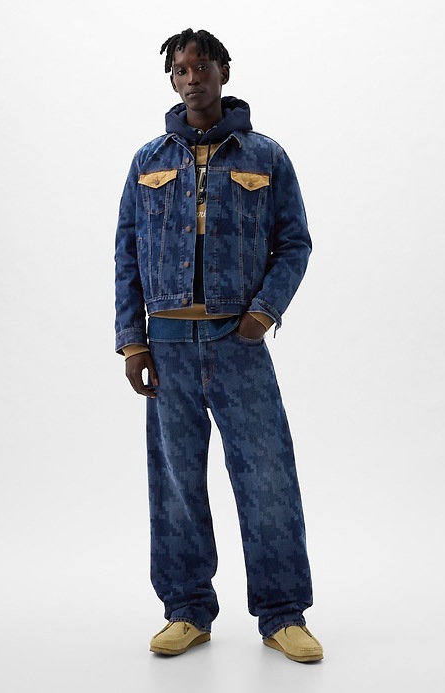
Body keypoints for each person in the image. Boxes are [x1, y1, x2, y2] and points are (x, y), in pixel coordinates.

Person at [114, 28, 323, 663]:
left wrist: (264, 311)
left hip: (238, 345)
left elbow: (295, 242)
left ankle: (283, 615)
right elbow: (126, 254)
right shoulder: (148, 160)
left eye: (201, 67)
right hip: (168, 348)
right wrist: (132, 342)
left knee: (267, 477)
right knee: (176, 483)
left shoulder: (266, 156)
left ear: (223, 72)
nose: (191, 78)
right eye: (180, 70)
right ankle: (186, 610)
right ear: (172, 79)